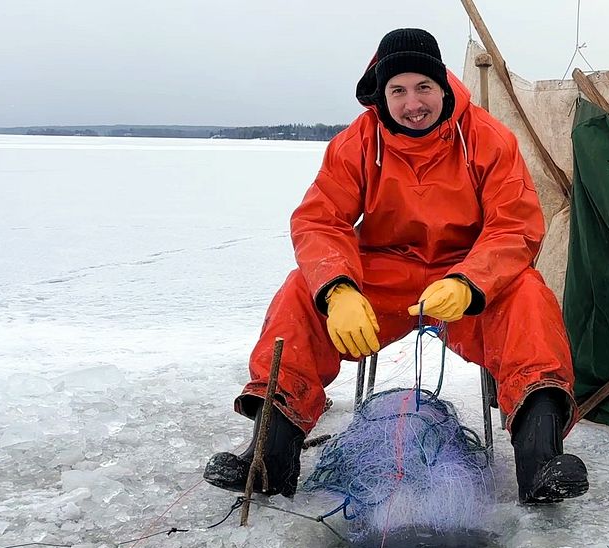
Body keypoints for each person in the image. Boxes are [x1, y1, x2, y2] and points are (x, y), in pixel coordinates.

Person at [203, 28, 588, 505]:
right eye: (398, 90)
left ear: (444, 87)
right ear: (381, 95)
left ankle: (541, 460)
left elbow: (516, 225)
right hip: (383, 276)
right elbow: (320, 221)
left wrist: (470, 282)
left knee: (529, 295)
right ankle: (270, 457)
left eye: (424, 87)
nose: (413, 103)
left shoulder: (489, 138)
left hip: (464, 276)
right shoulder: (357, 142)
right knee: (300, 294)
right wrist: (338, 290)